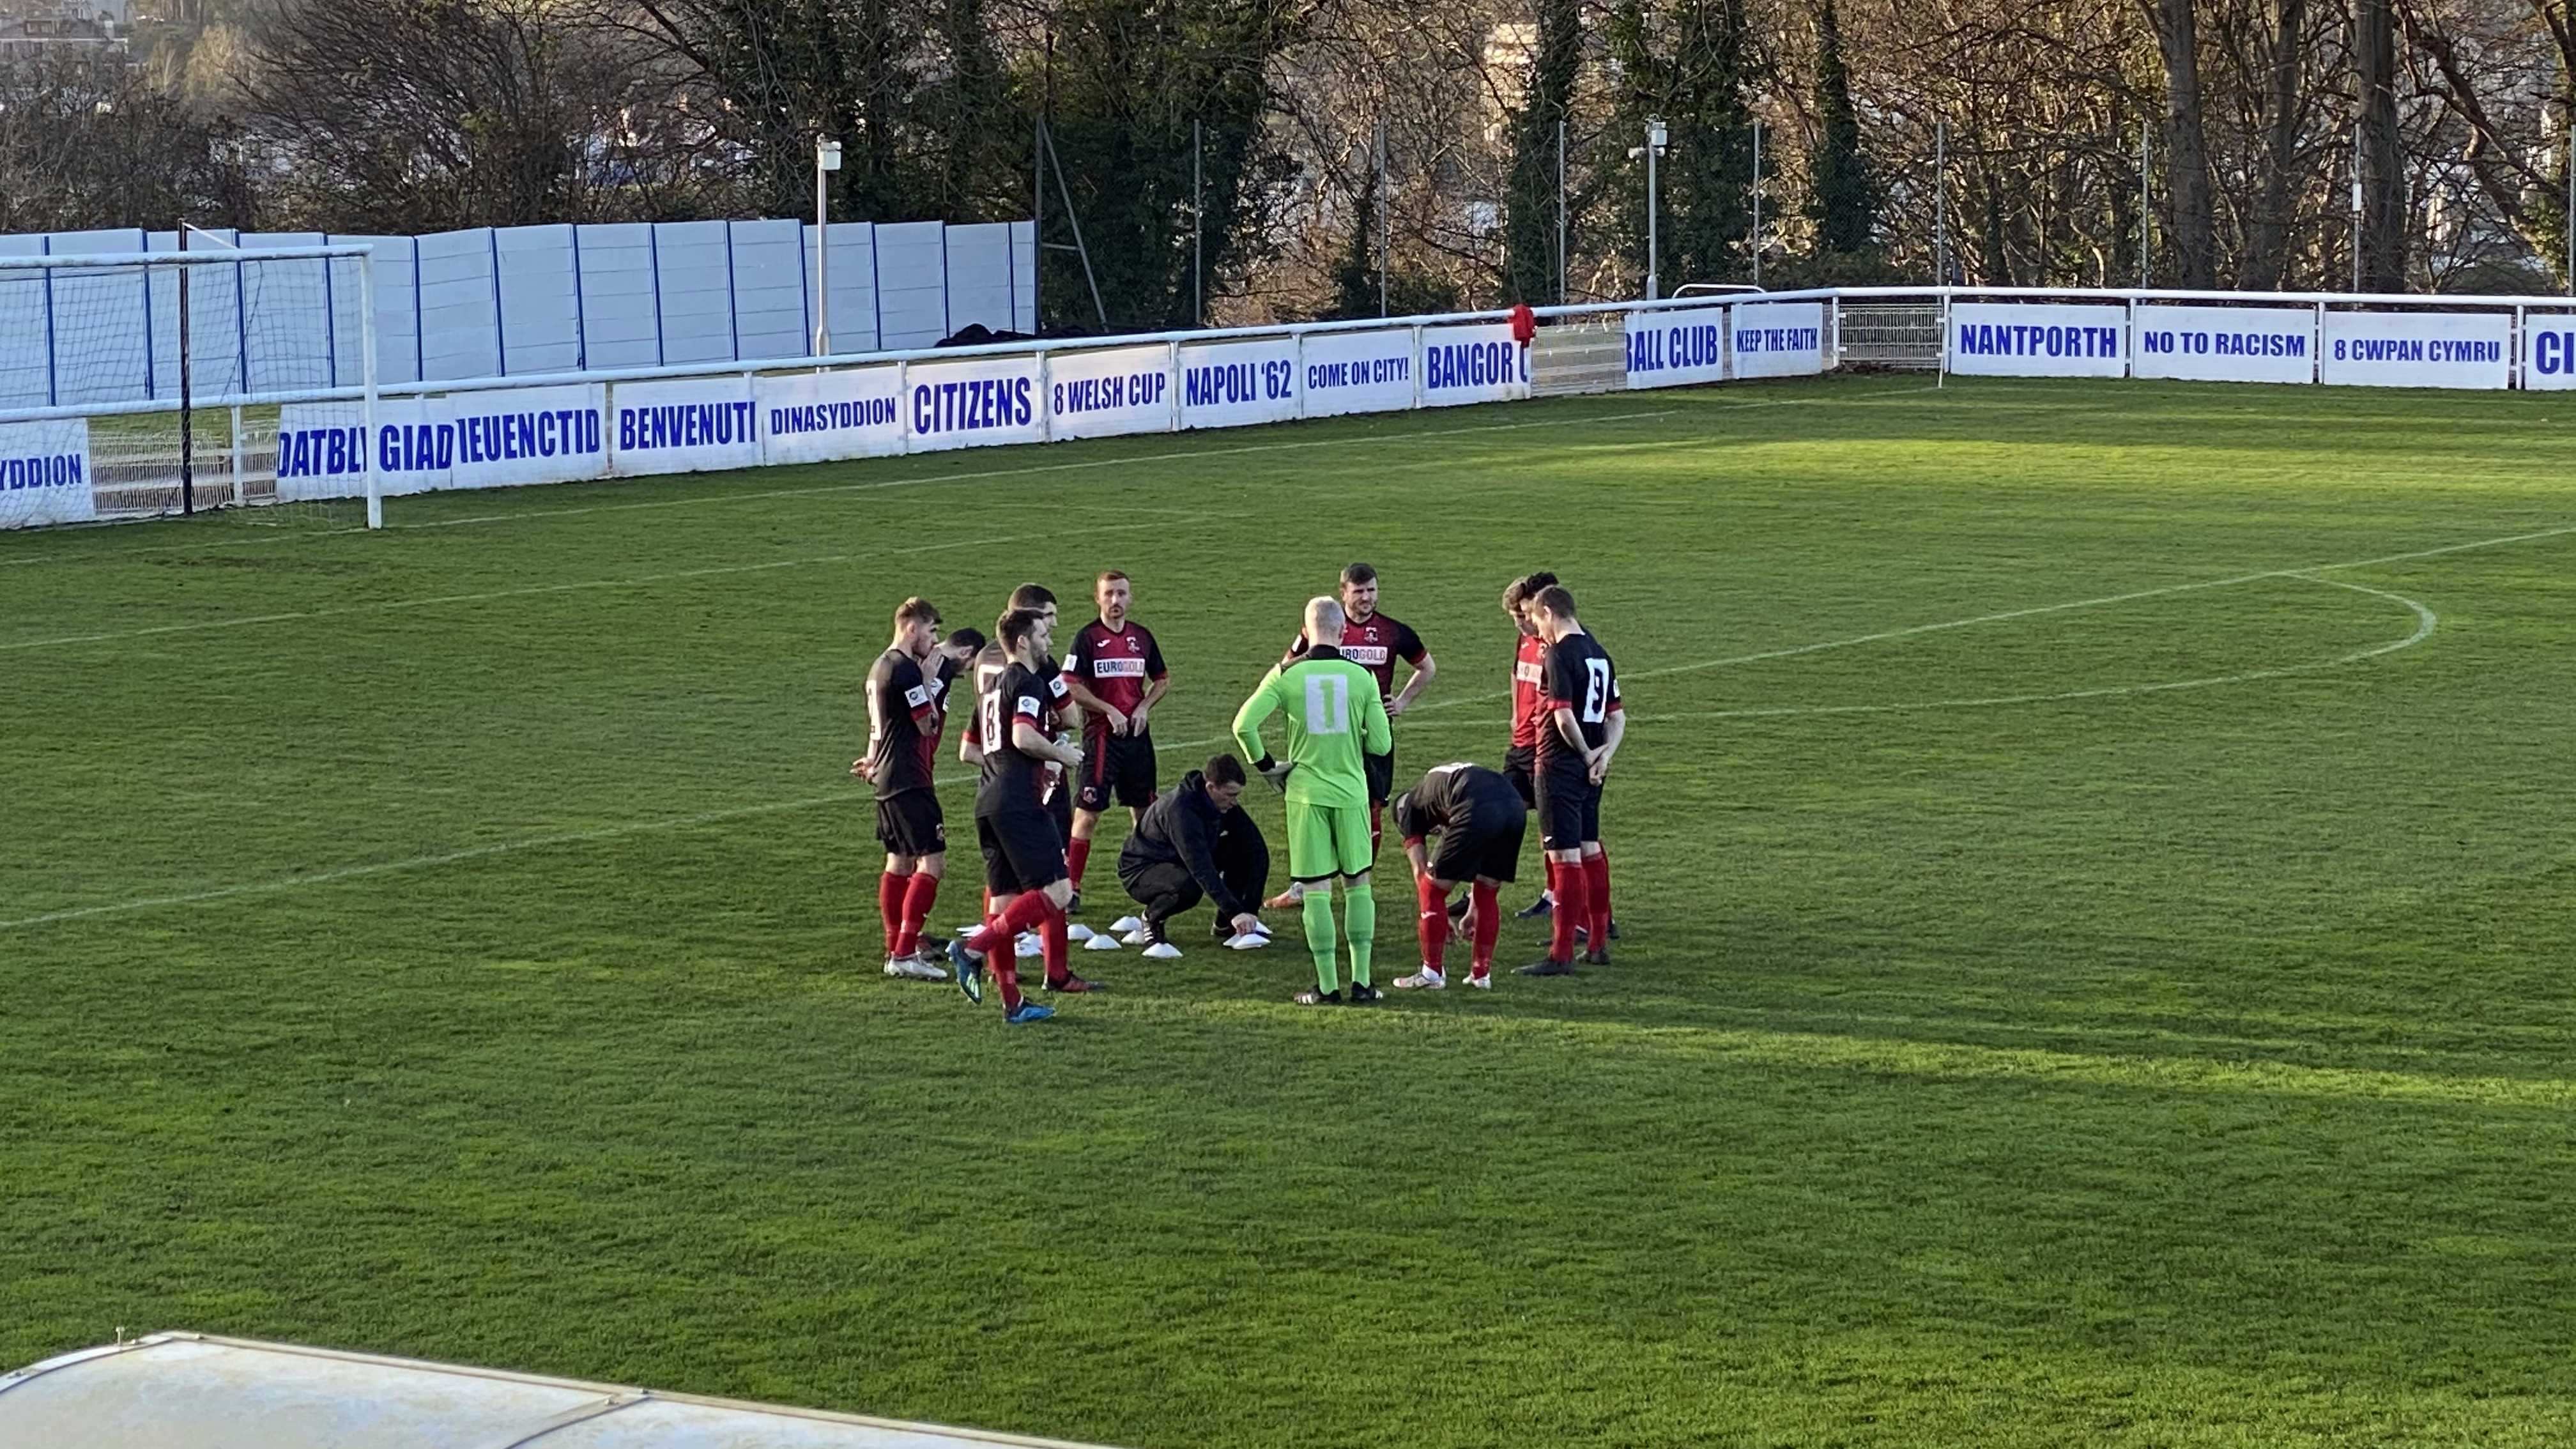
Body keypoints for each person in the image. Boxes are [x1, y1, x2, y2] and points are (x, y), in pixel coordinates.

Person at [1232, 596, 1393, 1005]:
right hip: (1352, 794)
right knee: (1358, 886)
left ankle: (1327, 987)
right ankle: (1362, 983)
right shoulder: (1363, 678)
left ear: (1305, 633)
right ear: (1343, 632)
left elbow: (1243, 725)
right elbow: (1380, 742)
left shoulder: (1286, 675)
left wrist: (1269, 766)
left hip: (1305, 795)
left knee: (1317, 891)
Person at [1262, 562, 1434, 907]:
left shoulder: (1392, 632)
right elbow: (1287, 666)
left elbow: (1427, 667)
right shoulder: (1321, 628)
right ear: (1343, 593)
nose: (1367, 598)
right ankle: (1305, 884)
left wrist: (1401, 702)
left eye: (1371, 590)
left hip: (1372, 737)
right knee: (1315, 807)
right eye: (1359, 592)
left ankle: (1358, 883)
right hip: (1325, 737)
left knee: (1371, 806)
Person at [946, 606, 1085, 1022]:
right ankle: (972, 949)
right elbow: (1024, 736)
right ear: (1023, 641)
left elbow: (969, 749)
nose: (1048, 641)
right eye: (1042, 634)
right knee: (1059, 891)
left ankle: (1012, 1004)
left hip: (988, 799)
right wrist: (1059, 755)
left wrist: (1004, 765)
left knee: (1005, 902)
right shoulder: (1027, 681)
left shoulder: (990, 689)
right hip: (1019, 801)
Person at [1517, 585, 1623, 976]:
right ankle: (1596, 943)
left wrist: (1582, 755)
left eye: (1536, 619)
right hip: (1593, 768)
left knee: (1564, 857)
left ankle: (1560, 954)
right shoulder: (1599, 653)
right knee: (1590, 847)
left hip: (1560, 765)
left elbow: (1562, 716)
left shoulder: (1561, 653)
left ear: (1549, 611)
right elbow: (1617, 717)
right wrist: (1602, 757)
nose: (1535, 628)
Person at [854, 597, 954, 982]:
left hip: (886, 777)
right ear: (912, 628)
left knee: (898, 861)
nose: (934, 640)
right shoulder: (907, 670)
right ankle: (904, 952)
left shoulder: (879, 666)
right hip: (910, 777)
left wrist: (872, 757)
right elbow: (927, 725)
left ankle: (895, 943)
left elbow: (880, 723)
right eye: (931, 632)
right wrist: (930, 682)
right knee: (933, 862)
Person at [1061, 569, 1170, 910]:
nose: (1115, 601)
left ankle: (1147, 881)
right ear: (1097, 598)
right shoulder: (1087, 639)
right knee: (1088, 813)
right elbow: (1071, 684)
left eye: (1121, 594)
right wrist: (1108, 709)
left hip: (1137, 739)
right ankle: (1071, 888)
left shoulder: (1142, 638)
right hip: (1102, 739)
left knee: (1144, 812)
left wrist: (1144, 707)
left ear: (1130, 597)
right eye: (1108, 594)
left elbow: (1162, 679)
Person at [1116, 754, 1272, 957]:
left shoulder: (1223, 803)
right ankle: (1152, 919)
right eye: (1230, 795)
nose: (1234, 802)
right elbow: (1199, 866)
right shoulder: (1181, 811)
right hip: (1141, 870)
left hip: (1177, 861)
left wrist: (1249, 910)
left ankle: (1225, 926)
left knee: (1243, 853)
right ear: (1211, 788)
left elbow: (1257, 849)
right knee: (1187, 886)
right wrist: (1236, 911)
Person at [1390, 762, 1524, 990]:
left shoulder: (1410, 808)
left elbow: (1420, 873)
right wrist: (1470, 908)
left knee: (1431, 889)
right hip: (1514, 805)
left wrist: (1438, 918)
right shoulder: (1437, 787)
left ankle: (1431, 973)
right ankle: (1481, 975)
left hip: (1475, 804)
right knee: (1487, 890)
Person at [1500, 571, 1559, 919]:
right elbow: (1516, 673)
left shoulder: (1554, 646)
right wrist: (1514, 713)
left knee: (1554, 830)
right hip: (1519, 745)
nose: (1521, 624)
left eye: (1524, 616)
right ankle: (1478, 895)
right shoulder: (1526, 642)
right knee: (1499, 816)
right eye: (1516, 617)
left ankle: (1556, 895)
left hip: (1543, 749)